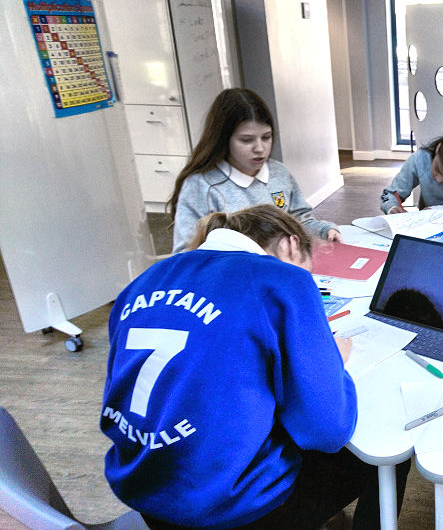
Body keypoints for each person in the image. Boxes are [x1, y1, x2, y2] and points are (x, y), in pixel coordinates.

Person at [100, 205, 409, 529]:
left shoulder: (144, 280)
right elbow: (326, 431)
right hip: (229, 510)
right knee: (390, 455)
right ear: (291, 244)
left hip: (144, 492)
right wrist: (332, 365)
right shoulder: (283, 279)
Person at [168, 87, 341, 254]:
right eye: (246, 140)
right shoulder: (201, 186)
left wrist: (324, 231)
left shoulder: (279, 173)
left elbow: (298, 219)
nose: (260, 148)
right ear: (223, 140)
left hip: (280, 270)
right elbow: (184, 254)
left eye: (266, 137)